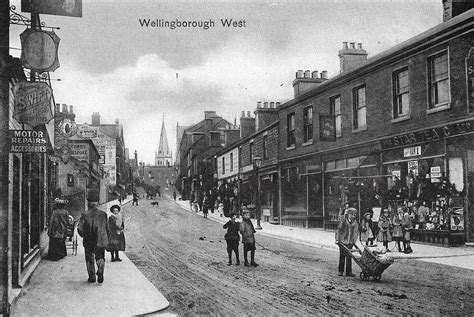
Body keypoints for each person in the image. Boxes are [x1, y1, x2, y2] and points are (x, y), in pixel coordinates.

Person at [77, 190, 110, 283]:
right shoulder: (103, 214)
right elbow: (107, 228)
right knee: (100, 257)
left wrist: (83, 235)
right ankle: (100, 271)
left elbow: (80, 228)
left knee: (89, 257)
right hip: (100, 239)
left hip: (89, 239)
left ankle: (92, 277)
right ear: (97, 203)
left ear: (89, 203)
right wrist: (106, 238)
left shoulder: (85, 214)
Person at [335, 207, 359, 277]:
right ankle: (341, 271)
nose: (353, 216)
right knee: (342, 256)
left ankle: (348, 272)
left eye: (354, 215)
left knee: (349, 257)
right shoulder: (343, 221)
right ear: (348, 214)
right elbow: (338, 230)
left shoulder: (355, 222)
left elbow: (356, 232)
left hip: (350, 241)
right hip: (342, 241)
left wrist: (354, 240)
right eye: (352, 214)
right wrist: (337, 239)